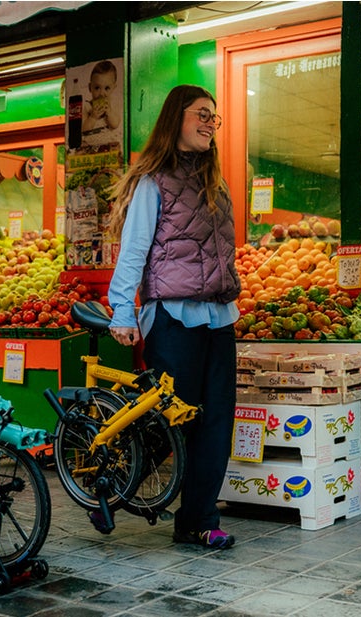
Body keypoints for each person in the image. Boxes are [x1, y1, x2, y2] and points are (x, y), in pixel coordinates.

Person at [106, 85, 239, 549]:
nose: (209, 123)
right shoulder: (153, 181)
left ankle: (199, 519)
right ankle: (112, 478)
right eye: (202, 114)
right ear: (175, 119)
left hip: (220, 318)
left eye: (214, 118)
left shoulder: (217, 185)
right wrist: (122, 309)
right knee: (167, 422)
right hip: (174, 318)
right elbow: (135, 249)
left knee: (217, 422)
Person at [82, 60, 122, 136]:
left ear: (114, 88)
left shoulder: (114, 104)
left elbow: (115, 124)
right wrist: (92, 118)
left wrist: (109, 113)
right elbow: (84, 131)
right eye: (97, 88)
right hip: (91, 145)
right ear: (90, 87)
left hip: (111, 144)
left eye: (107, 88)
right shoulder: (87, 107)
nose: (101, 93)